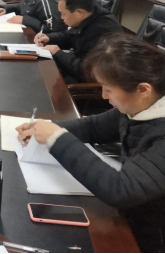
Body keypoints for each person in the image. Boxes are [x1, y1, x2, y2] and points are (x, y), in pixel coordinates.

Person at [16, 34, 165, 253]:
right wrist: (45, 128)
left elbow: (121, 190)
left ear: (143, 89)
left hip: (152, 235)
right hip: (131, 215)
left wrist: (56, 138)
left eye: (108, 89)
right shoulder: (137, 107)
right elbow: (93, 127)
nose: (104, 96)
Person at [34, 0, 123, 83]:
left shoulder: (102, 31)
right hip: (78, 67)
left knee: (43, 79)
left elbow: (87, 71)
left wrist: (58, 53)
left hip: (92, 82)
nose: (61, 17)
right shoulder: (88, 16)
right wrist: (49, 38)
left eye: (63, 14)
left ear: (79, 12)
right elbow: (70, 36)